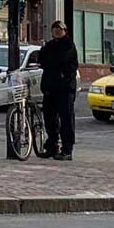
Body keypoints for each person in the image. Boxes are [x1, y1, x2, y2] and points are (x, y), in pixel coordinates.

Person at [38, 20, 79, 161]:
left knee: (66, 119)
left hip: (64, 89)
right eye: (54, 28)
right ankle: (52, 146)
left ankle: (67, 149)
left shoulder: (69, 45)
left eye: (59, 29)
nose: (56, 31)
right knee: (50, 119)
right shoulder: (49, 46)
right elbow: (41, 60)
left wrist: (51, 62)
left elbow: (61, 60)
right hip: (49, 88)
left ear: (65, 31)